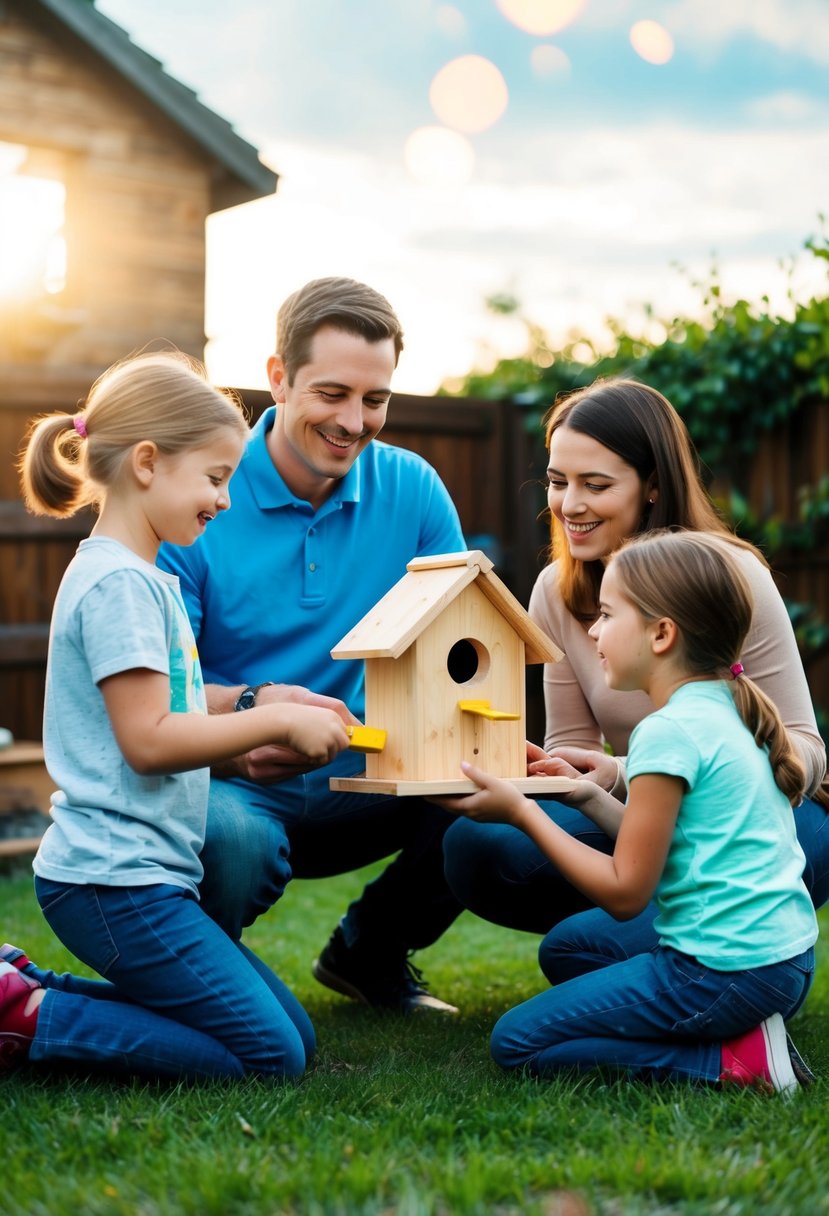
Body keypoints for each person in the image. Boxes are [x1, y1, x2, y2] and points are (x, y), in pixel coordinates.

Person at [3, 352, 350, 1081]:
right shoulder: (118, 585)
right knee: (269, 1056)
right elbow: (148, 740)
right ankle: (23, 1019)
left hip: (147, 879)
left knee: (294, 1037)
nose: (225, 500)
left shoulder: (145, 578)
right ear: (148, 463)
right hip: (109, 885)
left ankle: (28, 993)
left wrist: (267, 702)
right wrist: (275, 724)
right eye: (216, 477)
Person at [443, 378, 829, 975]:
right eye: (557, 481)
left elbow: (804, 748)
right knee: (479, 848)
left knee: (585, 953)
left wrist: (626, 772)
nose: (570, 504)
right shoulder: (557, 590)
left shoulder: (732, 576)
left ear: (653, 486)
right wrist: (569, 772)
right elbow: (568, 744)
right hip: (648, 820)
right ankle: (639, 934)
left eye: (596, 485)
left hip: (770, 820)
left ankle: (713, 955)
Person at [157, 277, 467, 1014]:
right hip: (236, 784)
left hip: (375, 780)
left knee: (491, 806)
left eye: (375, 400)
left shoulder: (413, 490)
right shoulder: (200, 492)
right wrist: (249, 718)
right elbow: (155, 687)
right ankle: (197, 976)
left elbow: (458, 644)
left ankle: (370, 952)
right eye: (332, 393)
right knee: (227, 838)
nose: (355, 422)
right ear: (277, 378)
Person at [438, 530, 817, 1092]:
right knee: (572, 956)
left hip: (719, 973)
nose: (592, 631)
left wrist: (523, 813)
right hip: (783, 963)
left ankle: (735, 1062)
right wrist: (587, 795)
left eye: (608, 615)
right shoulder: (731, 709)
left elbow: (625, 893)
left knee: (517, 1041)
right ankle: (736, 1034)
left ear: (662, 634)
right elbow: (666, 845)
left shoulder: (666, 733)